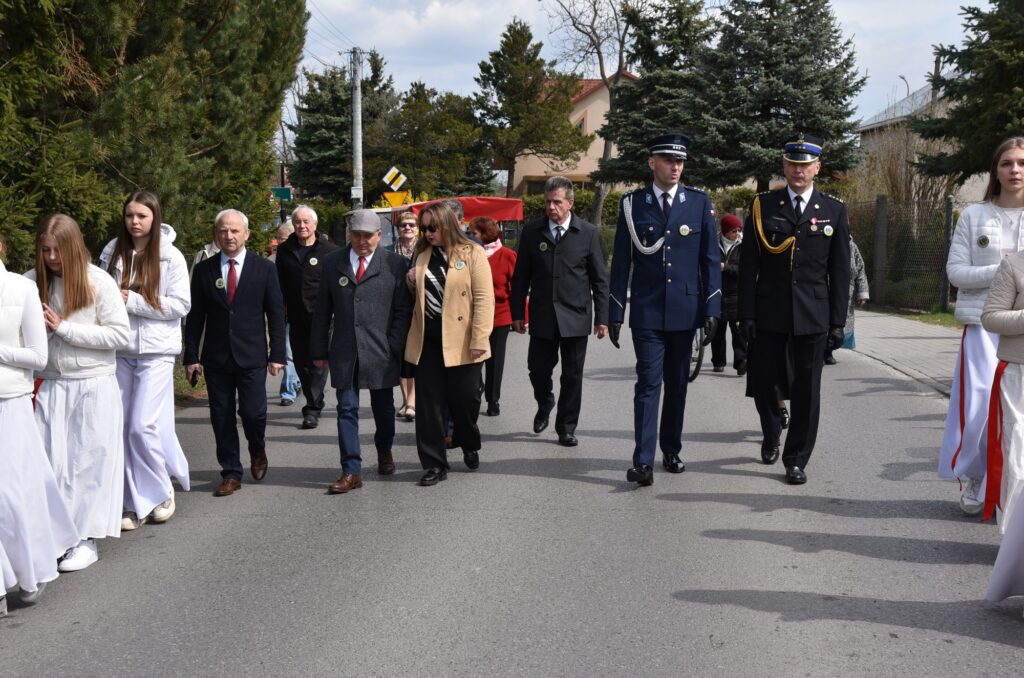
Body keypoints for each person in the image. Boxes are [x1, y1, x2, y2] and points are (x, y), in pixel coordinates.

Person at [609, 132, 721, 486]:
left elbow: (710, 260)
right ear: (652, 162)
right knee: (648, 383)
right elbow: (621, 263)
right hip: (647, 309)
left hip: (685, 310)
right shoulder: (633, 204)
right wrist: (615, 311)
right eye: (669, 160)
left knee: (677, 385)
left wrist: (712, 308)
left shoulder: (698, 202)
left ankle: (671, 449)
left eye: (680, 161)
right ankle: (643, 461)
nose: (675, 167)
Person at [738, 133, 851, 485]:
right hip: (769, 312)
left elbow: (840, 271)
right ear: (784, 166)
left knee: (807, 389)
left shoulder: (833, 210)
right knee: (764, 382)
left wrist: (838, 322)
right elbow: (749, 266)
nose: (798, 171)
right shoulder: (763, 206)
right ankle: (771, 432)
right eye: (792, 164)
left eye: (805, 165)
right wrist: (746, 314)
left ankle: (796, 458)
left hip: (812, 315)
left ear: (817, 168)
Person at [27, 214, 131, 571]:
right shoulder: (30, 282)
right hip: (49, 384)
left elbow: (119, 335)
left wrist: (65, 329)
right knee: (50, 466)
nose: (51, 257)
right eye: (45, 250)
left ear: (73, 247)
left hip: (92, 383)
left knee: (87, 464)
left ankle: (85, 539)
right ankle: (57, 538)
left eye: (57, 250)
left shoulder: (98, 281)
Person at [939, 137, 1024, 514]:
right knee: (978, 408)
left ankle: (1012, 487)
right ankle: (977, 476)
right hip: (982, 325)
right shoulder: (975, 215)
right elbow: (956, 272)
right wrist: (1004, 271)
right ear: (996, 170)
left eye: (1022, 163)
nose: (1015, 170)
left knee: (1018, 412)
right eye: (1007, 163)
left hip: (1022, 325)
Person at [98, 191, 191, 531]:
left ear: (154, 217)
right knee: (122, 426)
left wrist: (133, 301)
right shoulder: (112, 250)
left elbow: (181, 305)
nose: (134, 222)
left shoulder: (170, 256)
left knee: (142, 425)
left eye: (141, 216)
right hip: (121, 350)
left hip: (156, 351)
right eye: (129, 215)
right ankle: (132, 500)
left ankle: (161, 492)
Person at [0, 234, 79, 615]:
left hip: (9, 402)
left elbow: (37, 356)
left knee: (11, 495)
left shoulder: (21, 288)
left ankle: (32, 569)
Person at [183, 209, 286, 497]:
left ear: (246, 234)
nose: (228, 236)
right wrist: (191, 356)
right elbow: (195, 317)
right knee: (221, 415)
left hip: (252, 355)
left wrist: (278, 353)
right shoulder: (204, 270)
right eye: (223, 231)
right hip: (216, 357)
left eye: (234, 230)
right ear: (216, 234)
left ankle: (257, 449)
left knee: (253, 413)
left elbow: (275, 314)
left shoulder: (264, 268)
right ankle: (230, 472)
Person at [310, 209, 413, 492]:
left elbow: (403, 311)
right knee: (346, 408)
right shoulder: (334, 262)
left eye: (368, 236)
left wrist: (394, 344)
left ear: (379, 235)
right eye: (356, 235)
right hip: (345, 349)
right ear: (349, 234)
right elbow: (322, 310)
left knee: (383, 409)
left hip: (381, 349)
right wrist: (318, 350)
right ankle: (351, 470)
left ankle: (384, 451)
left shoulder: (394, 264)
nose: (362, 241)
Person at [511, 175, 610, 447]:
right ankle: (545, 401)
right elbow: (521, 277)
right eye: (547, 202)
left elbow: (600, 279)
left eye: (556, 202)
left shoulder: (587, 233)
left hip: (576, 317)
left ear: (570, 203)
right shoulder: (532, 232)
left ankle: (566, 427)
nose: (551, 207)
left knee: (572, 375)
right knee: (537, 369)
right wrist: (517, 313)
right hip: (543, 315)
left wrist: (603, 318)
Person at [404, 203, 494, 486]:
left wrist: (479, 339)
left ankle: (468, 441)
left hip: (463, 340)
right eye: (424, 228)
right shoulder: (421, 253)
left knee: (465, 400)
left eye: (433, 227)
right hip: (428, 339)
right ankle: (434, 464)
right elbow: (415, 296)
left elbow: (484, 299)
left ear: (447, 224)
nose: (428, 233)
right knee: (428, 406)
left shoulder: (472, 252)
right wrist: (410, 281)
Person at [275, 204, 339, 429]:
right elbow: (279, 285)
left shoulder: (330, 251)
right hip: (295, 317)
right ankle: (315, 399)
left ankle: (312, 409)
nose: (302, 226)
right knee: (302, 363)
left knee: (319, 363)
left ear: (315, 224)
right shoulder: (285, 251)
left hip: (323, 318)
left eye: (306, 222)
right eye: (297, 222)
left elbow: (336, 285)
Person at [468, 215, 517, 417]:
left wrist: (521, 316)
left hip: (500, 315)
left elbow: (517, 288)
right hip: (473, 316)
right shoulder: (468, 253)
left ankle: (493, 399)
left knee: (495, 361)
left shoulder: (507, 255)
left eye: (474, 233)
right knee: (473, 358)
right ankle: (476, 389)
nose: (470, 236)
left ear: (486, 234)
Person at [824, 235, 870, 365]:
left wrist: (862, 293)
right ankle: (823, 351)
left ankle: (829, 350)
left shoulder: (852, 247)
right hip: (825, 291)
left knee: (840, 325)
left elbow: (860, 270)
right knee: (825, 323)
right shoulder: (825, 243)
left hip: (846, 295)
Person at [270, 221, 301, 406]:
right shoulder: (270, 261)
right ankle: (290, 389)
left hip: (295, 313)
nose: (281, 242)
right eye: (279, 238)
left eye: (284, 238)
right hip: (278, 313)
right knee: (287, 352)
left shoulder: (297, 258)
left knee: (293, 352)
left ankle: (292, 386)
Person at [711, 213, 746, 375]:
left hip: (736, 295)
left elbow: (745, 270)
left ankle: (741, 362)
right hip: (717, 293)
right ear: (725, 231)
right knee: (717, 331)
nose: (737, 233)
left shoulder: (743, 246)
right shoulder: (713, 244)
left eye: (739, 230)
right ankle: (718, 361)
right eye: (734, 231)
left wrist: (726, 267)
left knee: (738, 331)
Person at [394, 210, 419, 421]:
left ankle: (413, 400)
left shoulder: (425, 249)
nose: (408, 228)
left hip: (420, 308)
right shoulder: (390, 251)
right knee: (401, 356)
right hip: (397, 308)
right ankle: (405, 400)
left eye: (412, 224)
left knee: (415, 355)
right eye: (403, 225)